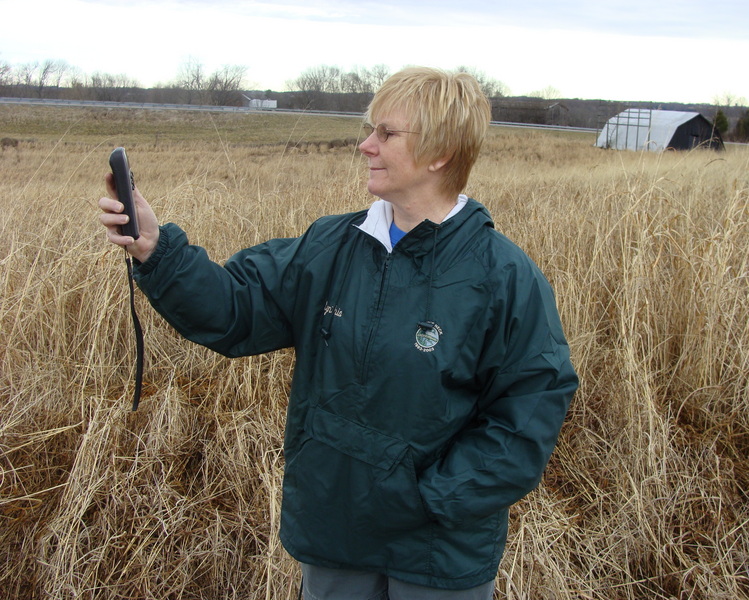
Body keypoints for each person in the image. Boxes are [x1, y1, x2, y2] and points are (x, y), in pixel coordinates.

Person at [99, 66, 579, 600]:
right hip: (335, 531)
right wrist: (155, 250)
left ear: (440, 153)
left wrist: (432, 500)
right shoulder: (331, 245)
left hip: (438, 553)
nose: (366, 145)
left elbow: (532, 404)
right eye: (370, 130)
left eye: (386, 134)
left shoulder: (502, 275)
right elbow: (235, 309)